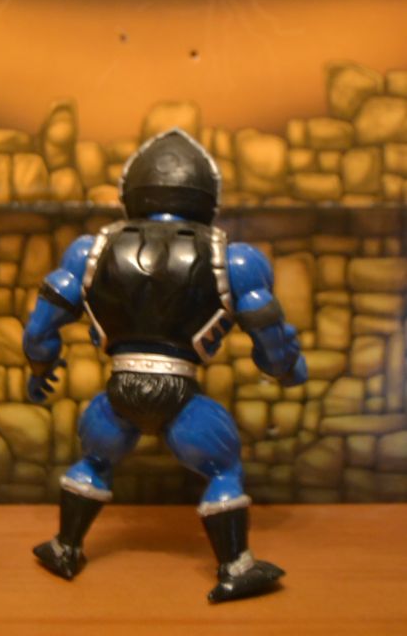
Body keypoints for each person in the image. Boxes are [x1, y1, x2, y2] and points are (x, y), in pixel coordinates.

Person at [23, 128, 308, 603]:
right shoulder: (235, 260)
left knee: (94, 461)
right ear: (207, 194)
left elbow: (39, 329)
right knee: (223, 469)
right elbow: (271, 339)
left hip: (118, 393)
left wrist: (39, 369)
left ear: (132, 190)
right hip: (182, 395)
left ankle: (64, 546)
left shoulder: (89, 250)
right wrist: (286, 368)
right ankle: (236, 566)